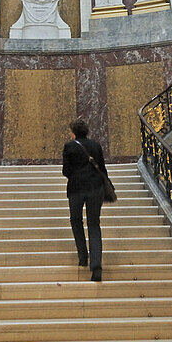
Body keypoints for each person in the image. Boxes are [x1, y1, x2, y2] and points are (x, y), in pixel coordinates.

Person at [61, 119, 107, 282]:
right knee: (94, 225)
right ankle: (96, 266)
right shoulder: (96, 146)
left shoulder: (69, 146)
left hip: (76, 189)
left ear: (73, 132)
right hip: (95, 188)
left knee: (76, 221)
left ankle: (83, 256)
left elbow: (65, 171)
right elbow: (102, 167)